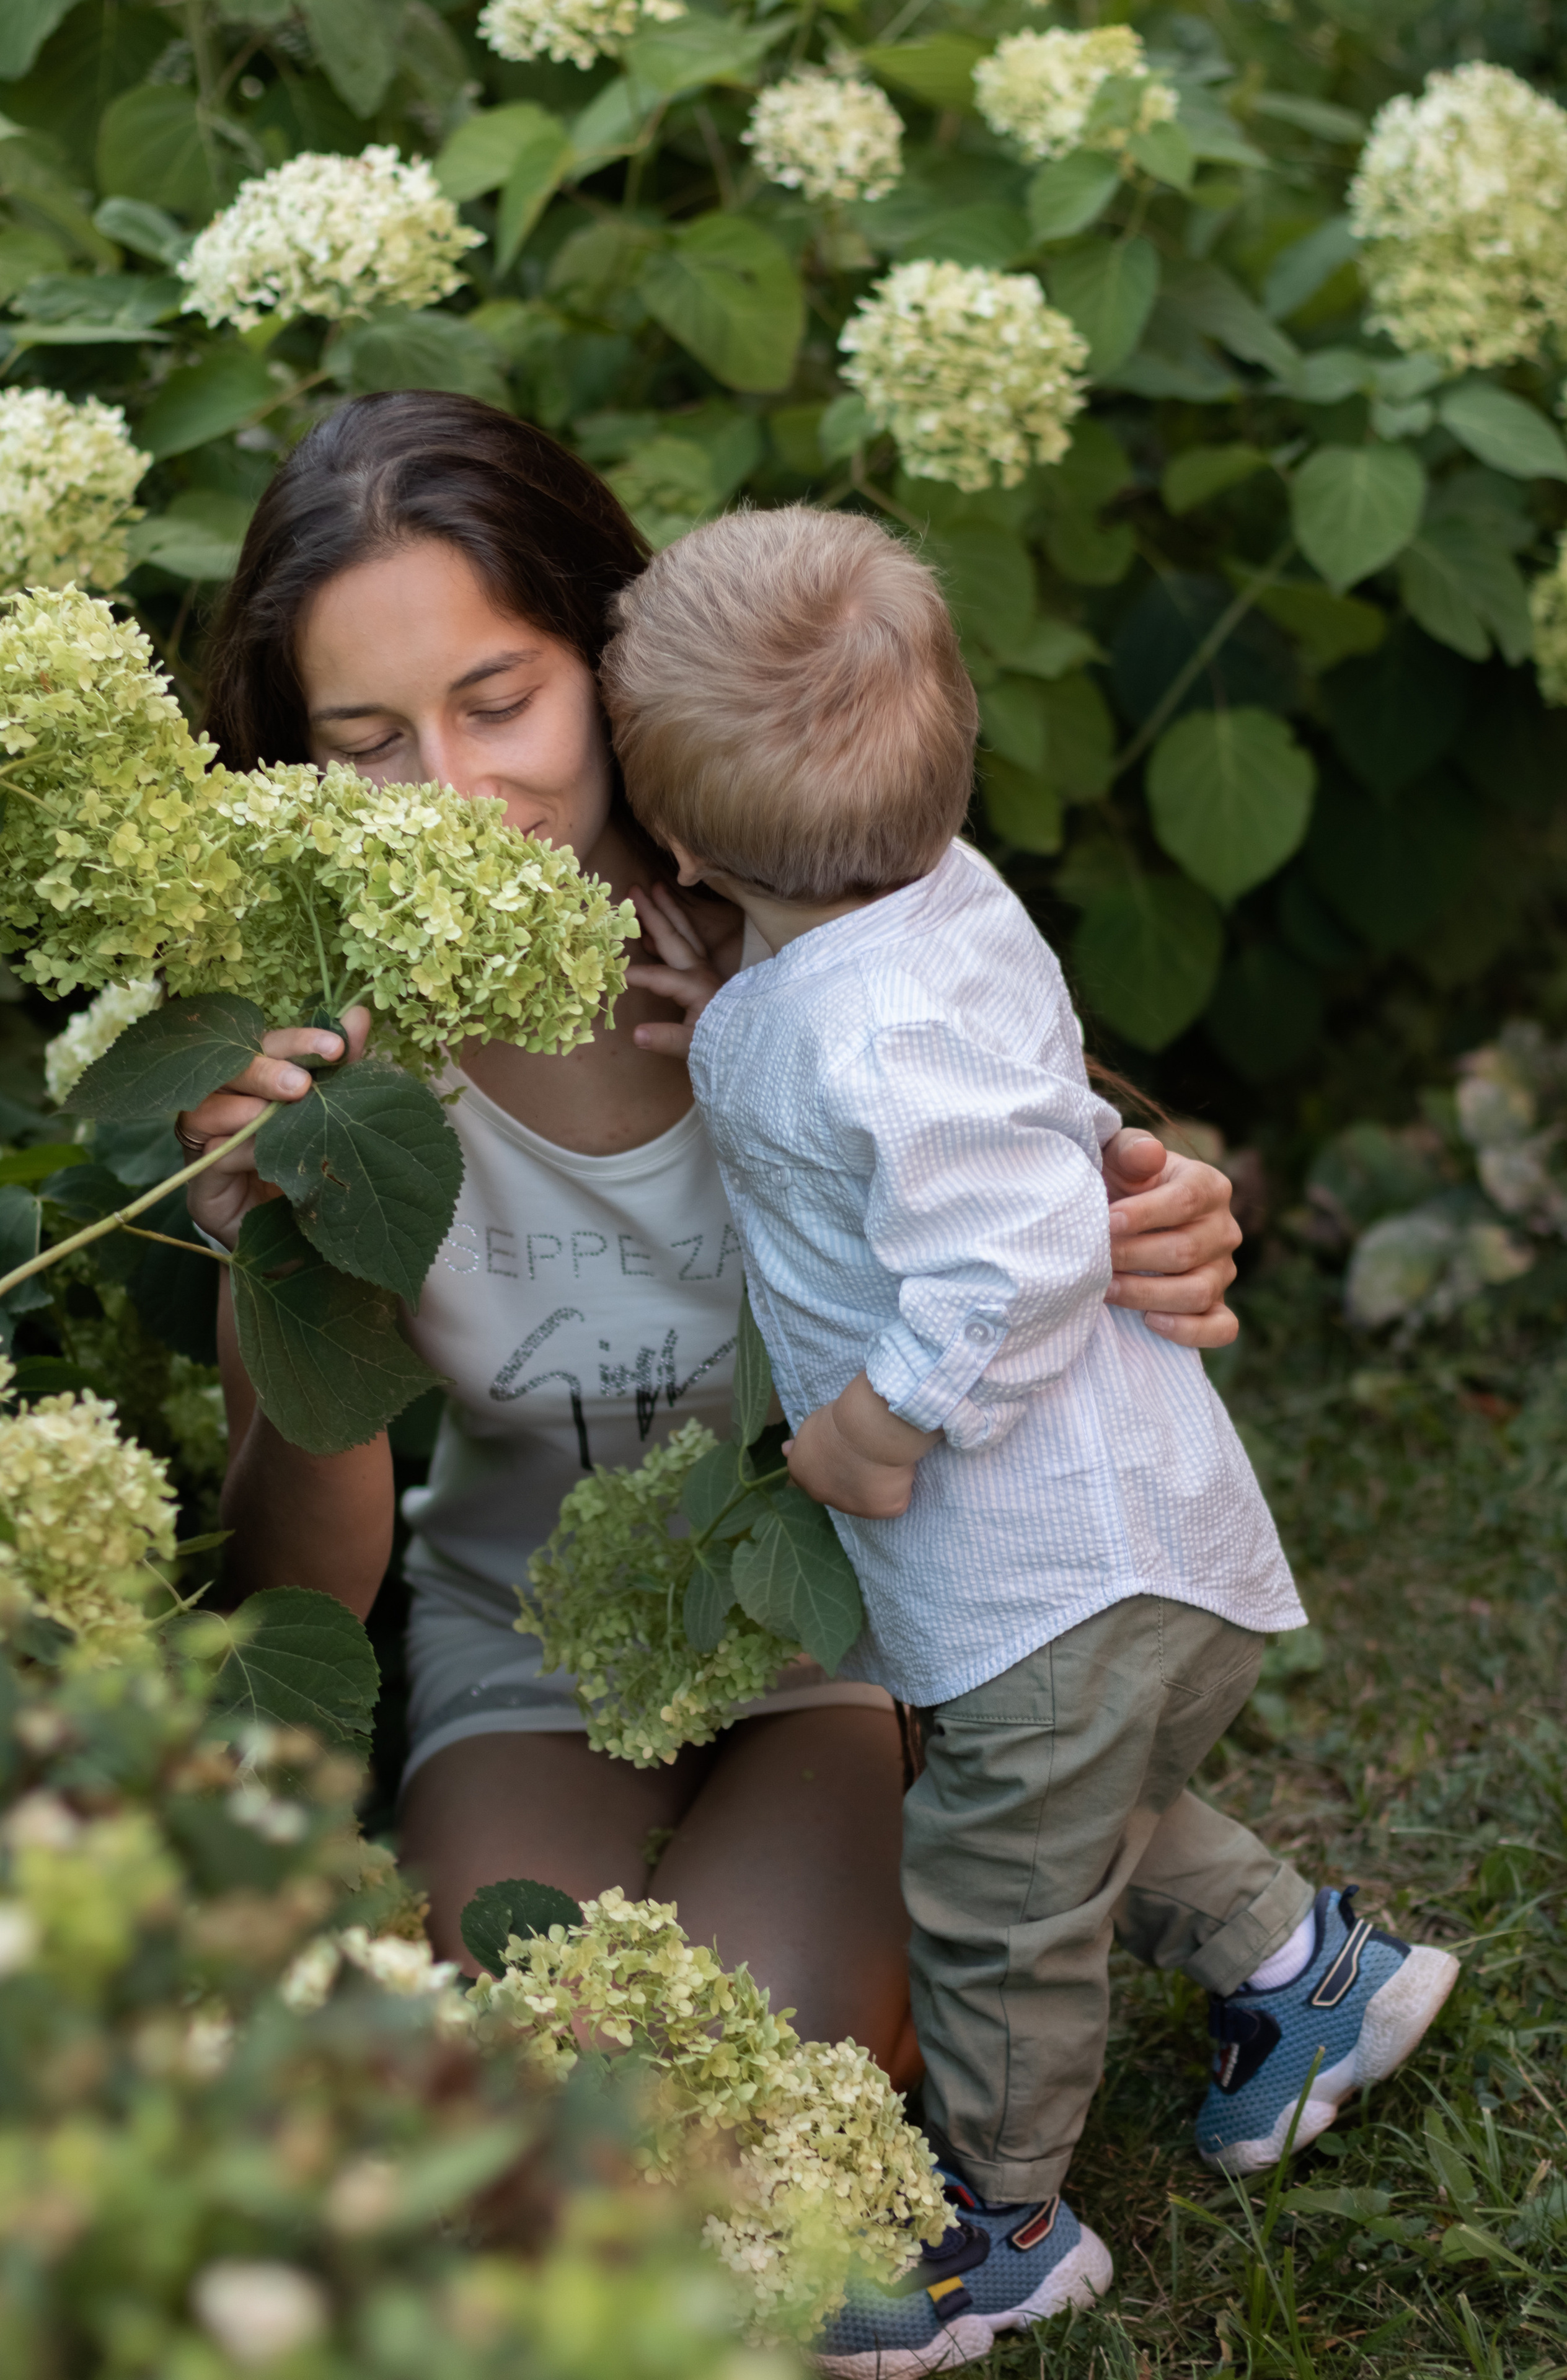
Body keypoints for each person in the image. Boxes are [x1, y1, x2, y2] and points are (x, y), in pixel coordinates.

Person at [179, 390, 1249, 2086]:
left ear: (608, 661)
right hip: (525, 1640)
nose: (450, 791)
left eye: (498, 698)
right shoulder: (313, 1066)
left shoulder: (812, 929)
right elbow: (309, 1587)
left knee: (759, 2084)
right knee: (522, 2078)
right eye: (368, 739)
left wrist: (1159, 1222)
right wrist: (280, 1262)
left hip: (842, 1631)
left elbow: (1047, 1208)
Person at [600, 505, 1463, 2370]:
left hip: (1051, 1568)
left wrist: (878, 1426)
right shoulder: (925, 917)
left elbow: (1010, 1242)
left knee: (994, 1901)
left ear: (671, 836)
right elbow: (878, 1083)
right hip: (1138, 1559)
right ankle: (1312, 1974)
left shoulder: (865, 1018)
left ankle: (1001, 2224)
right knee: (1067, 1814)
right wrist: (731, 1012)